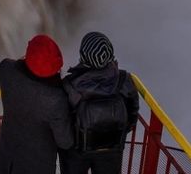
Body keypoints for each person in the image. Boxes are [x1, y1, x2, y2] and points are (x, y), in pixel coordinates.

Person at [59, 31, 139, 174]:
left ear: (83, 56)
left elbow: (63, 120)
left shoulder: (70, 85)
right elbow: (132, 113)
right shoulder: (124, 80)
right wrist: (114, 132)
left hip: (78, 150)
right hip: (111, 148)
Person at [0, 34, 74, 174]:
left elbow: (13, 64)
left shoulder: (6, 72)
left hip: (6, 164)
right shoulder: (55, 99)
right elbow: (65, 142)